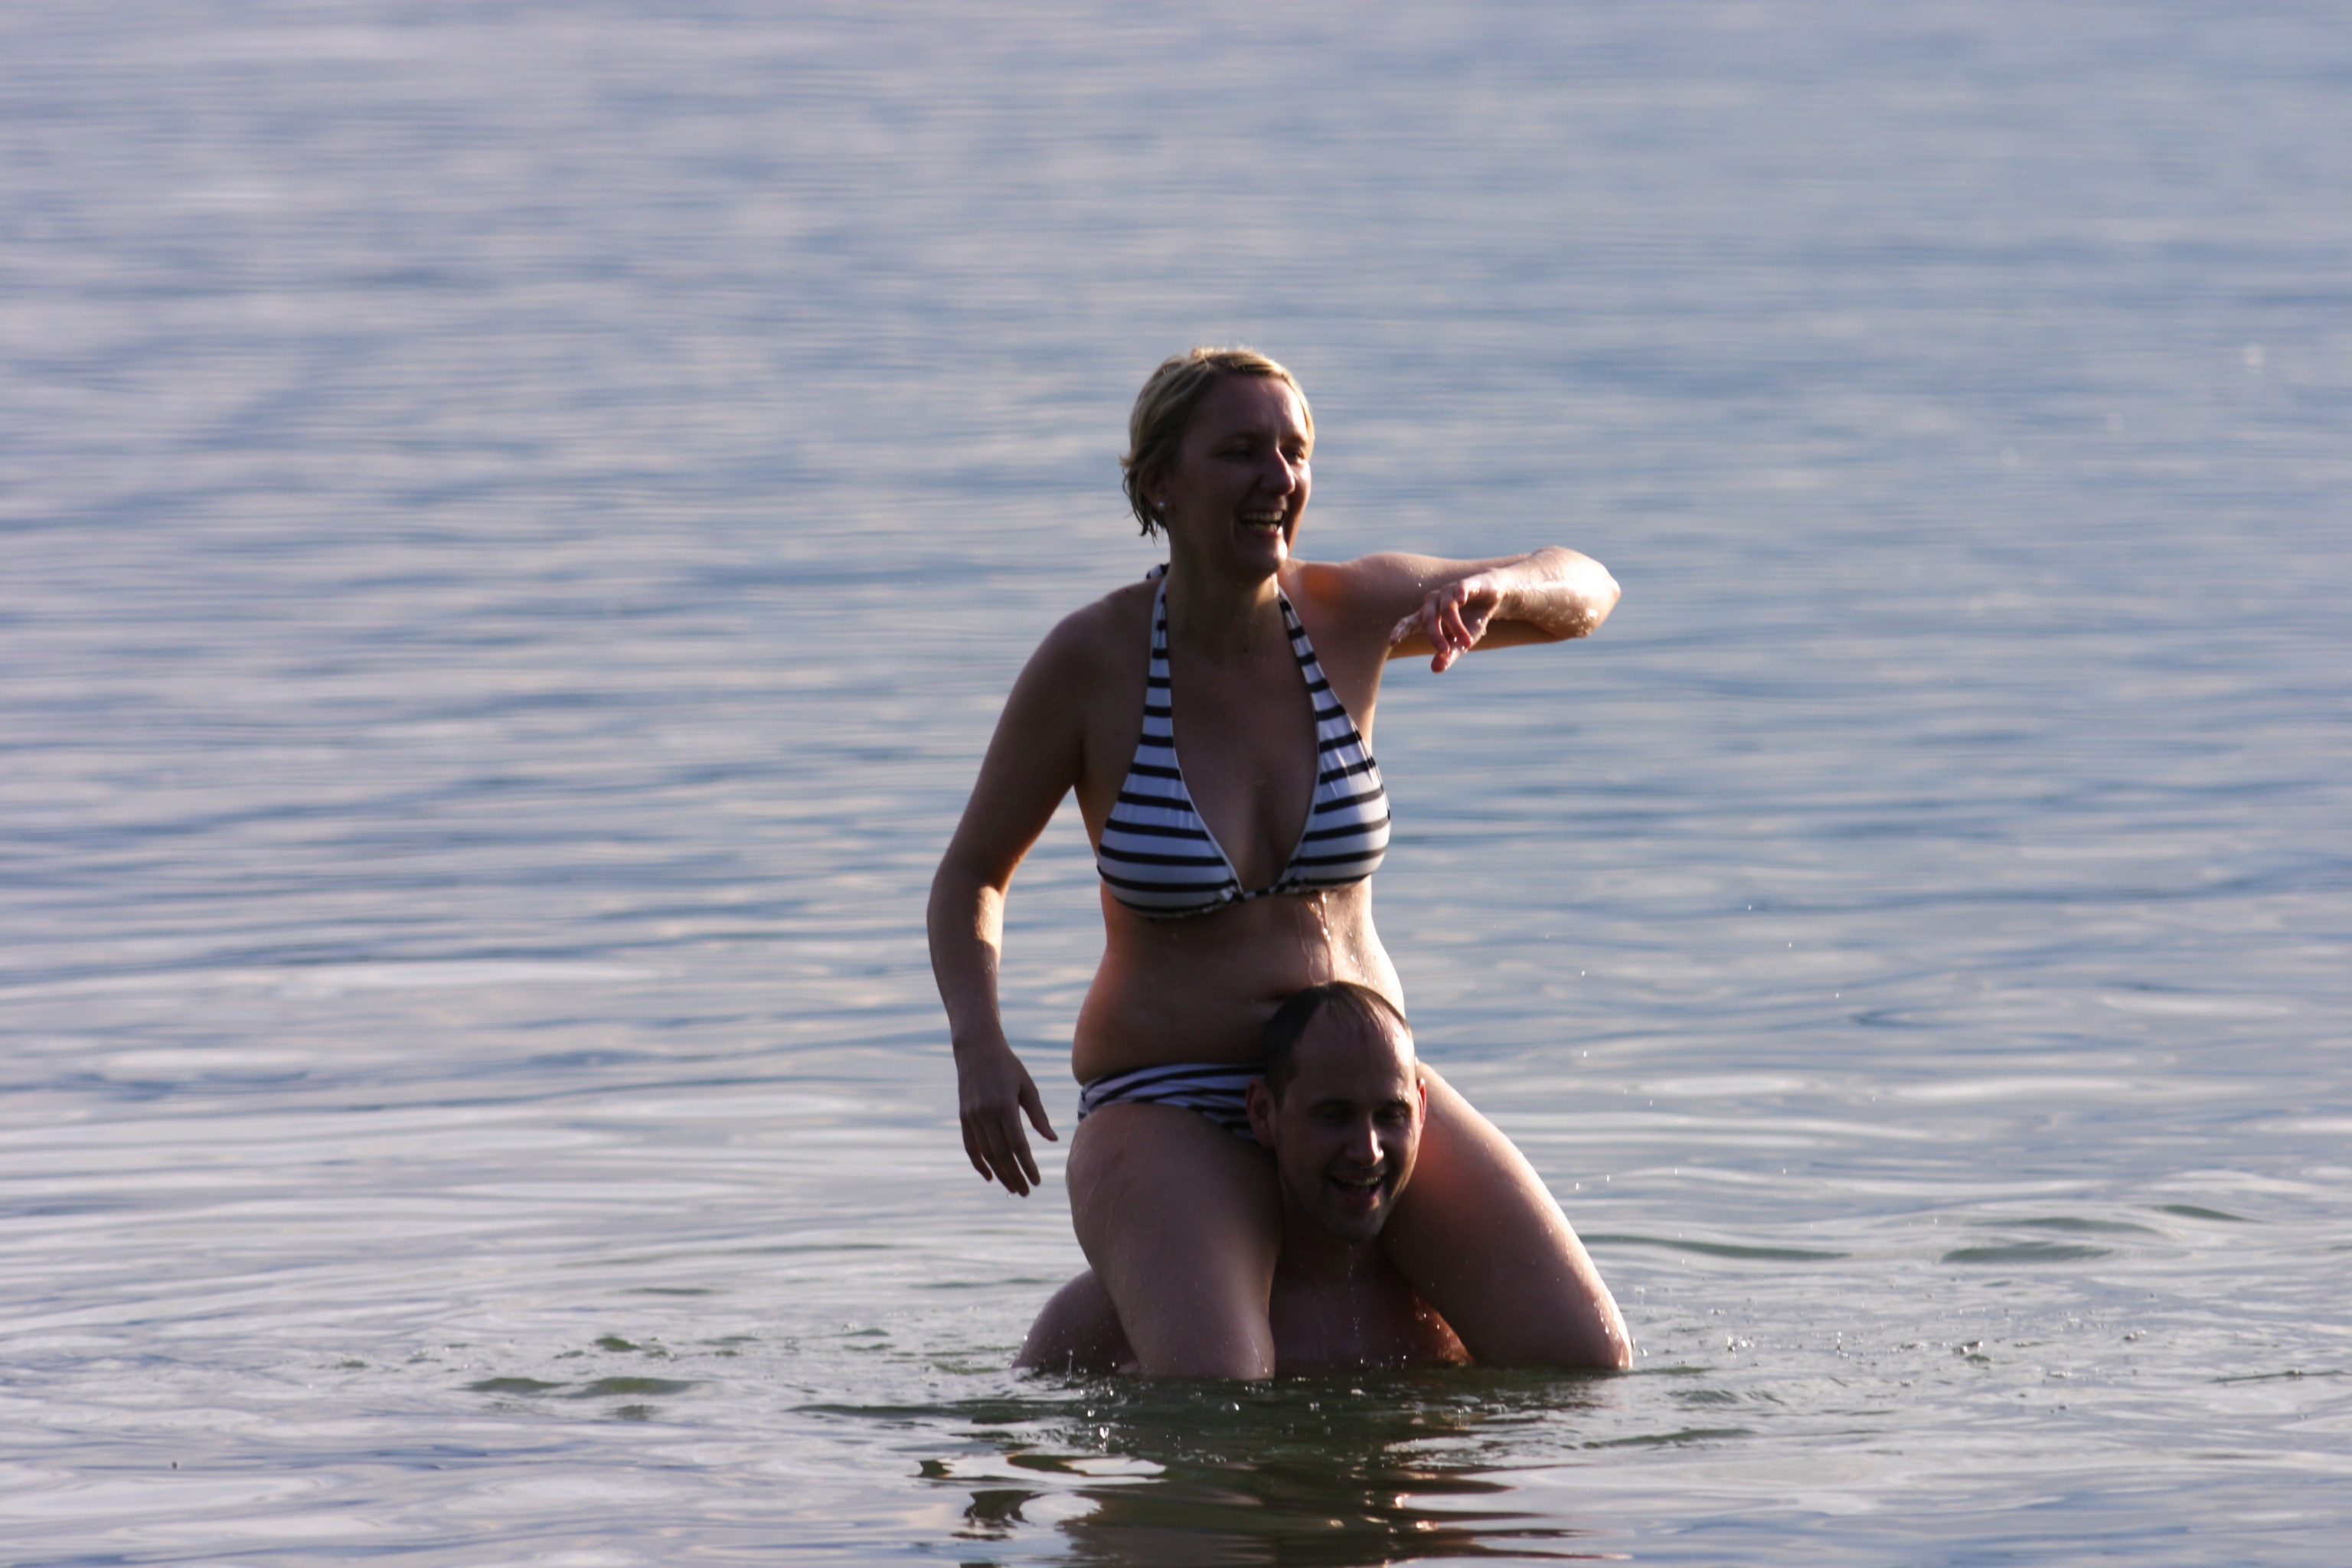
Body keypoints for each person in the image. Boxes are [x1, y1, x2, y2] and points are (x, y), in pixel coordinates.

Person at [929, 346, 1628, 1378]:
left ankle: (1174, 1291)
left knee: (1582, 1362)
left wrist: (1499, 586)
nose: (1279, 477)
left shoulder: (1355, 611)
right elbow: (972, 877)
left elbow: (1590, 585)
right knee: (1219, 1398)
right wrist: (979, 1045)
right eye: (1241, 451)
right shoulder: (1091, 662)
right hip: (1167, 1099)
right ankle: (1159, 1279)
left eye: (1295, 452)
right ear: (1159, 482)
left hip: (1361, 1094)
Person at [1018, 982, 1470, 1374]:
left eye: (1391, 1115)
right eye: (1333, 1116)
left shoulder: (1451, 1311)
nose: (1368, 1150)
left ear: (1421, 1109)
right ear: (1263, 1113)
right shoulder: (1145, 1310)